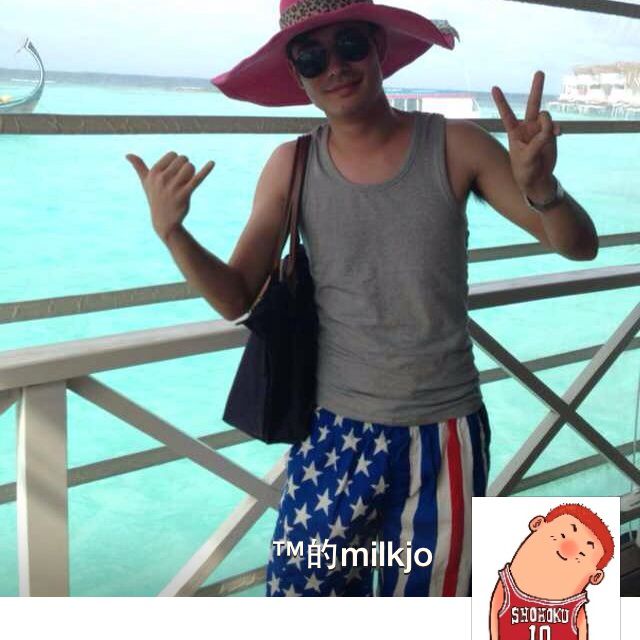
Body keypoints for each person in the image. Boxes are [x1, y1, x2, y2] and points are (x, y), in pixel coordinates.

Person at [125, 0, 599, 597]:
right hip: (331, 433)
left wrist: (542, 187)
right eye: (311, 57)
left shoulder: (457, 146)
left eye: (350, 44)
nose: (335, 67)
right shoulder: (291, 164)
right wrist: (173, 233)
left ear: (379, 48)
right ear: (296, 75)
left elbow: (577, 246)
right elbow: (236, 297)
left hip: (443, 434)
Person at [489, 503, 614, 640]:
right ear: (537, 524)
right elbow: (495, 609)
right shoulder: (508, 584)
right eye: (562, 535)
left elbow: (581, 629)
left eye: (583, 553)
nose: (568, 549)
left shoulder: (574, 605)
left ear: (595, 577)